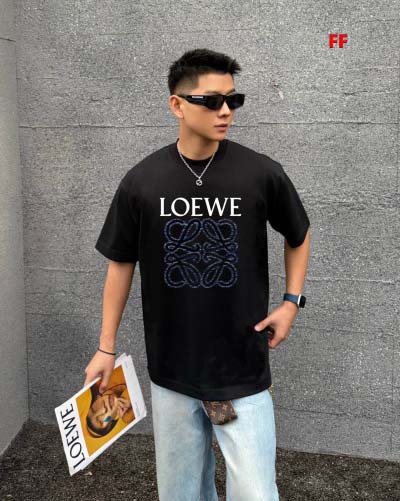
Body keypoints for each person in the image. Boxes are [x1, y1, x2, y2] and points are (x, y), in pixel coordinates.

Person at [84, 48, 311, 500]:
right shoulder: (142, 182)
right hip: (172, 368)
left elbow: (298, 233)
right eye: (211, 100)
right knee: (180, 493)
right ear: (177, 104)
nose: (225, 111)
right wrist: (105, 347)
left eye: (233, 100)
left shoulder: (260, 173)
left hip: (241, 364)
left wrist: (292, 302)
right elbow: (121, 262)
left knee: (257, 492)